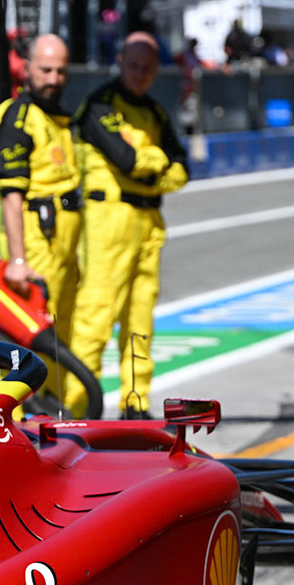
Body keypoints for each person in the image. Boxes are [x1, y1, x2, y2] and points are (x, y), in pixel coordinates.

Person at [72, 32, 188, 417]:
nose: (139, 74)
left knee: (141, 320)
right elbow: (126, 159)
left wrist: (148, 166)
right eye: (133, 65)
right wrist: (155, 164)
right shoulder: (99, 106)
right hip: (109, 221)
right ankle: (80, 406)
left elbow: (183, 169)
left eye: (147, 68)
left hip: (149, 222)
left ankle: (135, 404)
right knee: (96, 317)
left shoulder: (154, 112)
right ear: (120, 61)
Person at [0, 33, 87, 412]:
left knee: (62, 338)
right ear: (26, 69)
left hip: (64, 250)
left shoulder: (59, 117)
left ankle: (58, 417)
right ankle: (17, 423)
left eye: (61, 70)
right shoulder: (17, 117)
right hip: (34, 248)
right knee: (29, 342)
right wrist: (17, 259)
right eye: (46, 69)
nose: (54, 78)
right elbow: (11, 197)